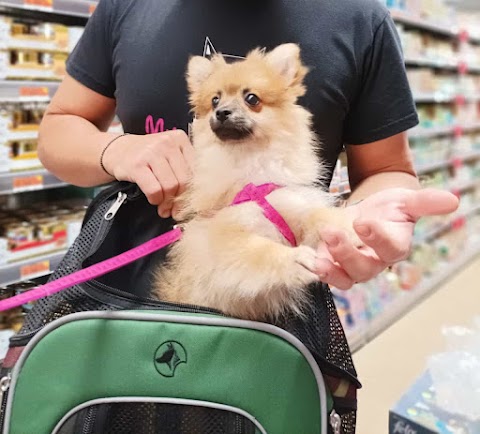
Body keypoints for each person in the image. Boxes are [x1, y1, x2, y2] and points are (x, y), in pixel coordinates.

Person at [38, 0, 459, 291]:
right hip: (123, 291)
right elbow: (57, 130)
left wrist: (364, 226)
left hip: (277, 294)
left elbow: (387, 169)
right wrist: (117, 151)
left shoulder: (359, 18)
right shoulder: (126, 6)